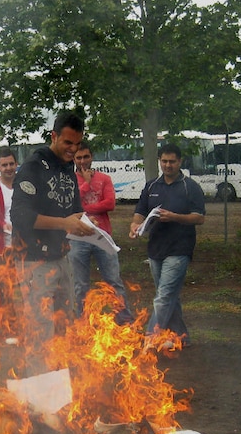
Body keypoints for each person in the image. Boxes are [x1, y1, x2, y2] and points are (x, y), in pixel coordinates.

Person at [10, 111, 94, 364]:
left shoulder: (69, 167)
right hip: (34, 260)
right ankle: (39, 398)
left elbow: (72, 210)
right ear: (54, 136)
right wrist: (63, 223)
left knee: (63, 328)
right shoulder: (33, 166)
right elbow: (20, 216)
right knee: (40, 332)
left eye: (77, 144)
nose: (73, 149)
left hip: (61, 257)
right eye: (68, 142)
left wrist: (86, 223)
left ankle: (60, 388)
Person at [128, 143, 205, 348]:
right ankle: (181, 336)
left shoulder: (190, 186)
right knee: (169, 295)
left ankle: (150, 338)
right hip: (156, 249)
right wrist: (135, 225)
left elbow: (199, 218)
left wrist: (175, 217)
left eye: (172, 161)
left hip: (180, 248)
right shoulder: (152, 185)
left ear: (180, 162)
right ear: (160, 161)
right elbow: (140, 210)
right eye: (164, 161)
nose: (168, 165)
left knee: (163, 296)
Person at [69, 141, 133, 324]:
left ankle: (124, 319)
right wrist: (86, 184)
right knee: (80, 285)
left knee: (113, 280)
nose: (82, 161)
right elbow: (70, 205)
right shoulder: (70, 180)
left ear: (92, 157)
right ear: (73, 159)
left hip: (102, 236)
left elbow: (110, 203)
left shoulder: (104, 179)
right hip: (78, 238)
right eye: (78, 157)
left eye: (86, 156)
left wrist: (85, 208)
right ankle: (83, 322)